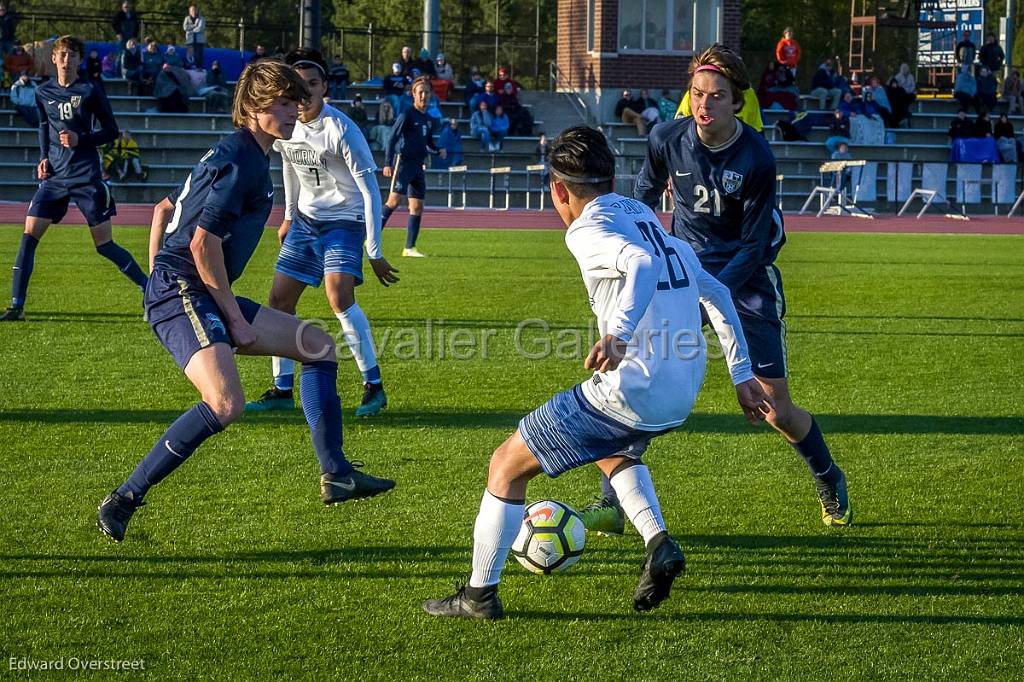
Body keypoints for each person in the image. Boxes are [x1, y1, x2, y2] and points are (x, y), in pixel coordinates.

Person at [421, 125, 772, 620]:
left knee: (505, 464)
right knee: (606, 448)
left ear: (558, 190)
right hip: (682, 385)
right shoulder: (643, 213)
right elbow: (713, 291)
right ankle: (658, 543)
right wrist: (740, 375)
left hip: (634, 385)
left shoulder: (586, 229)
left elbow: (642, 264)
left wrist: (620, 334)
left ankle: (479, 595)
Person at [96, 59, 396, 543]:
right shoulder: (245, 160)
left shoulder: (242, 151)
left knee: (317, 347)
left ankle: (337, 473)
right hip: (187, 290)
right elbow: (201, 244)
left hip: (190, 287)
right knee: (226, 403)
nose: (294, 109)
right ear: (254, 107)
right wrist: (226, 315)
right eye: (281, 101)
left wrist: (159, 275)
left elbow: (164, 209)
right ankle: (124, 498)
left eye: (295, 99)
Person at [596, 43, 853, 533]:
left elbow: (757, 245)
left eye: (715, 97)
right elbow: (644, 198)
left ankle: (827, 475)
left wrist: (709, 291)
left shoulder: (756, 156)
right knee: (637, 380)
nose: (703, 106)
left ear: (736, 101)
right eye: (696, 94)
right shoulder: (667, 138)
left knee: (775, 409)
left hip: (746, 279)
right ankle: (611, 500)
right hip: (687, 274)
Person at [243, 49, 398, 418]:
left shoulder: (342, 128)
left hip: (344, 223)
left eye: (313, 83)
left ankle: (373, 386)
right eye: (299, 85)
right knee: (279, 301)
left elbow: (370, 191)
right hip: (306, 224)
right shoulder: (286, 129)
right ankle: (282, 391)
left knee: (338, 296)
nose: (306, 91)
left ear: (325, 87)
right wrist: (288, 217)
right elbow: (290, 171)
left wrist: (373, 249)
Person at [1, 35, 147, 322]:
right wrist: (43, 157)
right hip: (54, 178)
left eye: (72, 55)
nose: (66, 60)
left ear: (79, 60)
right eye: (62, 55)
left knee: (104, 245)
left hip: (85, 176)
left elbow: (111, 132)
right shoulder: (43, 92)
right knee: (28, 238)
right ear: (53, 59)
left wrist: (82, 139)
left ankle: (149, 287)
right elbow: (44, 125)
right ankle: (16, 306)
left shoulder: (90, 90)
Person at [382, 76, 445, 258]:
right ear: (413, 94)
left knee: (417, 207)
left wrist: (437, 149)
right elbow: (392, 138)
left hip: (419, 166)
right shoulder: (407, 115)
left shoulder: (429, 119)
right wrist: (387, 163)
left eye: (426, 92)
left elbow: (429, 143)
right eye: (420, 92)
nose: (424, 95)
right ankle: (369, 236)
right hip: (404, 164)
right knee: (393, 202)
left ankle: (409, 248)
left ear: (431, 95)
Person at [183, 4, 206, 69]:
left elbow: (200, 28)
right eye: (192, 10)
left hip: (199, 42)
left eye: (194, 10)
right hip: (190, 41)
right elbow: (185, 28)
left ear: (196, 11)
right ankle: (189, 68)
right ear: (189, 11)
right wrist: (194, 25)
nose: (193, 11)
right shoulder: (187, 18)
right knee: (190, 56)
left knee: (199, 56)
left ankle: (199, 69)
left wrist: (191, 31)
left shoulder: (201, 18)